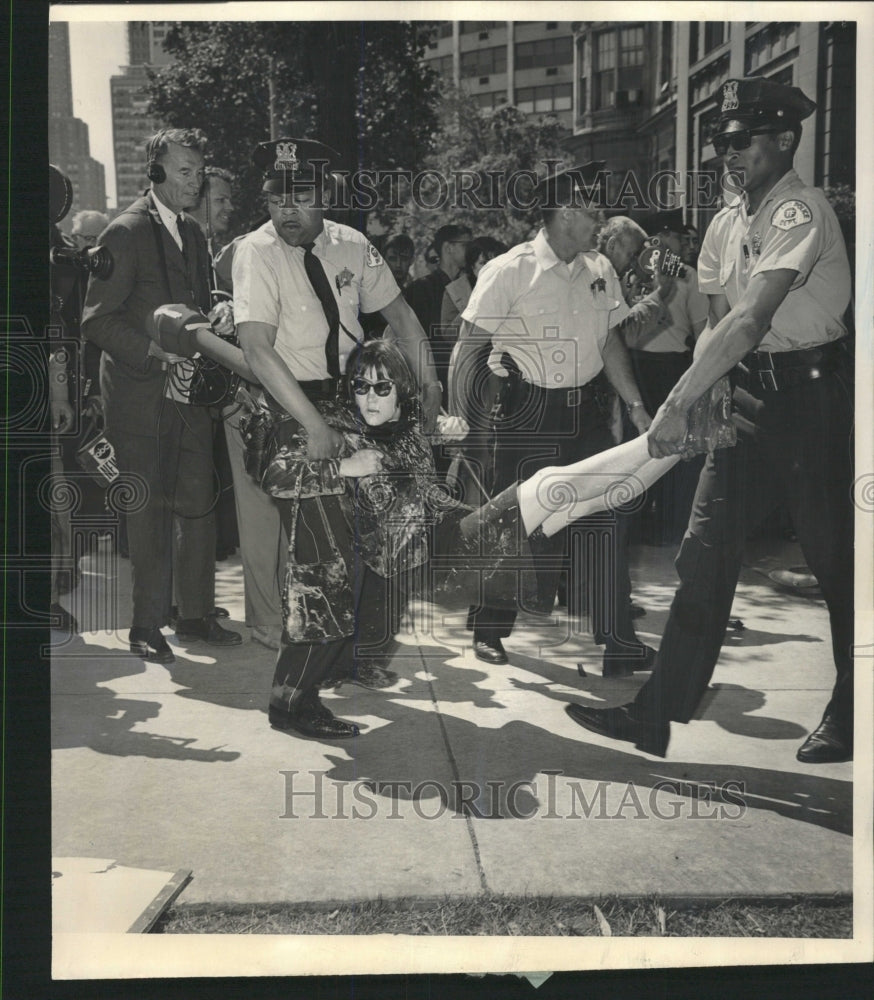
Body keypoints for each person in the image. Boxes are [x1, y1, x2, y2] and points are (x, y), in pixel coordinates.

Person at [565, 76, 854, 764]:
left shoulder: (800, 212)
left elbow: (755, 317)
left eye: (741, 140)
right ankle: (655, 715)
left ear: (784, 139)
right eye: (720, 141)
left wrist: (676, 402)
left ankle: (852, 710)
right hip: (749, 396)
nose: (727, 153)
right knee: (704, 558)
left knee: (837, 566)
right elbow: (721, 320)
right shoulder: (727, 219)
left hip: (813, 399)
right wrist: (715, 389)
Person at [263, 338, 680, 739]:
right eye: (360, 386)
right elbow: (277, 476)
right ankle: (665, 437)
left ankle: (678, 446)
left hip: (445, 535)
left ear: (401, 390)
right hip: (434, 563)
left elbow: (420, 454)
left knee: (573, 507)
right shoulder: (336, 428)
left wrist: (447, 430)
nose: (369, 398)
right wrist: (345, 468)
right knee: (547, 486)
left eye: (382, 387)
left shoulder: (407, 424)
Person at [449, 163, 654, 675]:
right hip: (524, 415)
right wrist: (462, 423)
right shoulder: (509, 270)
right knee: (513, 523)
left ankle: (617, 640)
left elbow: (610, 342)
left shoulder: (600, 270)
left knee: (607, 517)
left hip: (584, 414)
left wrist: (634, 406)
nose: (599, 220)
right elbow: (467, 348)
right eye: (591, 211)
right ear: (563, 214)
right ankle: (489, 629)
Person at [81, 127, 242, 664]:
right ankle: (145, 625)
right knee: (147, 512)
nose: (195, 183)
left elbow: (191, 302)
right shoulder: (123, 233)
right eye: (184, 172)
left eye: (199, 172)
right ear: (155, 174)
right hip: (138, 396)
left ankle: (194, 614)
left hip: (189, 393)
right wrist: (154, 353)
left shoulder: (194, 235)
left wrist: (217, 309)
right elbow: (97, 321)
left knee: (198, 504)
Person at [618, 210, 710, 543]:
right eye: (674, 236)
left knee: (674, 446)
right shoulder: (630, 275)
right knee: (635, 445)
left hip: (673, 369)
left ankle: (672, 522)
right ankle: (636, 520)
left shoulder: (686, 276)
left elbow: (703, 333)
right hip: (633, 367)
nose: (681, 242)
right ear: (659, 238)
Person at [405, 224, 472, 408]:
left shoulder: (472, 287)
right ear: (448, 248)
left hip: (465, 379)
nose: (471, 252)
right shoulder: (421, 289)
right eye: (466, 246)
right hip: (432, 381)